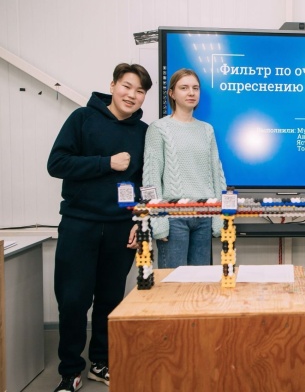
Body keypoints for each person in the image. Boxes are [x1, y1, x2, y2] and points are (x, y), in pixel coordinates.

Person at [47, 63, 153, 391]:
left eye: (139, 91)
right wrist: (106, 163)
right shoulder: (82, 118)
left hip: (121, 228)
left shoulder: (144, 132)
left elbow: (146, 182)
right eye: (126, 86)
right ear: (112, 86)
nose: (131, 95)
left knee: (110, 300)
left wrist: (141, 220)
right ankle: (70, 371)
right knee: (73, 300)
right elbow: (56, 163)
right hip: (79, 224)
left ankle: (100, 363)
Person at [143, 68, 226, 268]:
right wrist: (158, 222)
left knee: (201, 283)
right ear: (172, 93)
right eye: (184, 88)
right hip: (173, 218)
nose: (191, 93)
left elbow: (217, 175)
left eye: (195, 88)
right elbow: (151, 178)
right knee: (173, 282)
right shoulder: (158, 128)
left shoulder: (207, 129)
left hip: (204, 216)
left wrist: (219, 218)